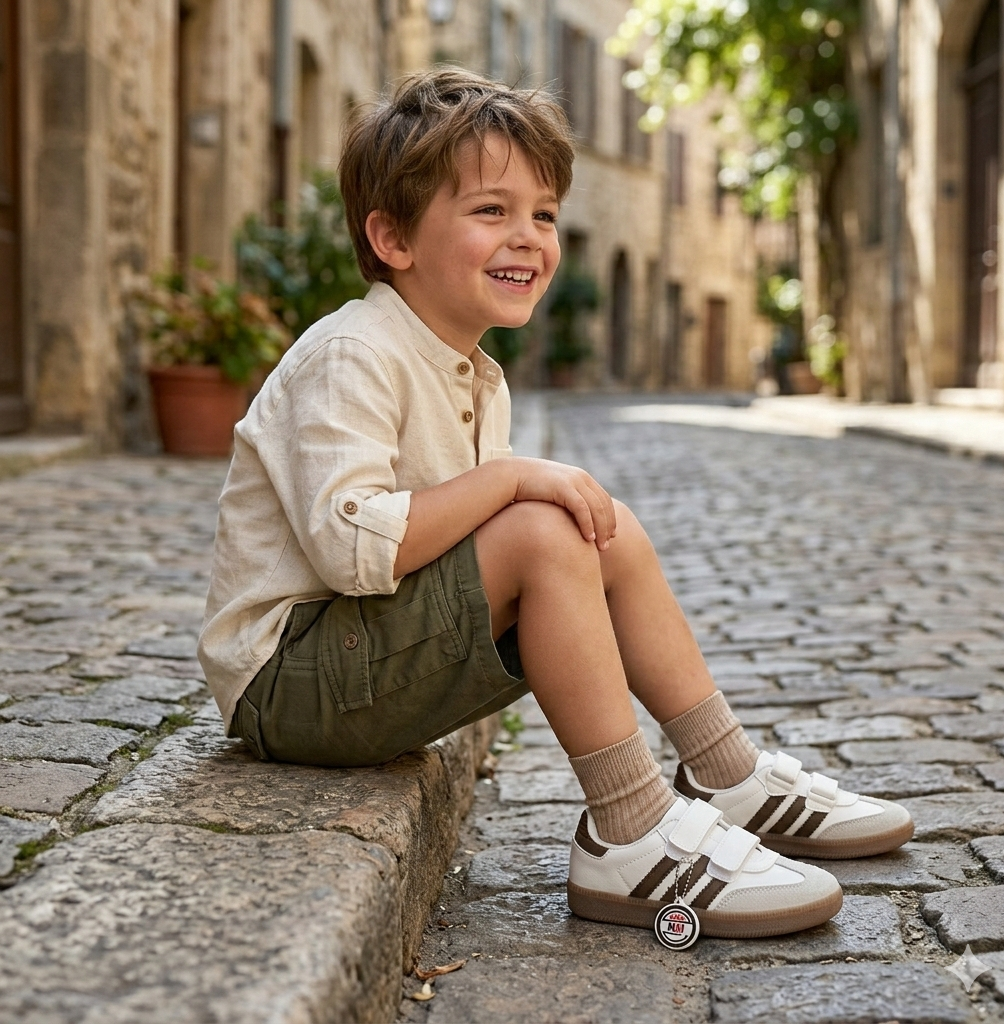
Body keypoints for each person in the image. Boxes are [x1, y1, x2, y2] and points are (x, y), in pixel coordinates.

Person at [198, 68, 913, 942]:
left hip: (362, 658)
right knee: (544, 527)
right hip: (289, 686)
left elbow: (470, 549)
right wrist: (511, 482)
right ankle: (630, 825)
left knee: (598, 525)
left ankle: (726, 772)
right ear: (392, 237)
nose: (529, 237)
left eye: (544, 214)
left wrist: (524, 495)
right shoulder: (353, 354)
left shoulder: (474, 373)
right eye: (491, 210)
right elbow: (356, 551)